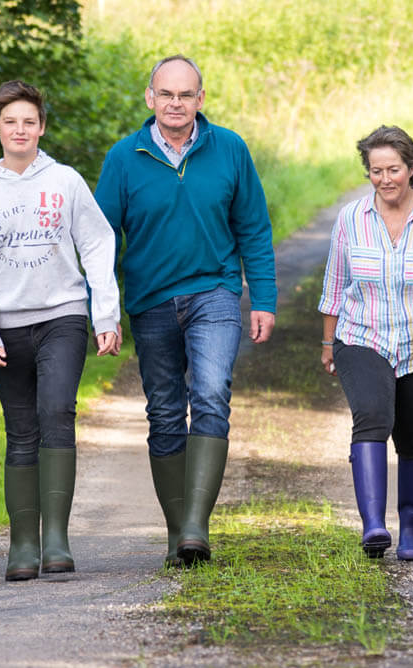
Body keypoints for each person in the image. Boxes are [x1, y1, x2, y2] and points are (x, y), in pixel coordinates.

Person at [94, 55, 276, 567]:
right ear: (150, 98)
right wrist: (103, 311)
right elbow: (100, 240)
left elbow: (254, 229)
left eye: (185, 95)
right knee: (165, 411)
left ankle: (197, 524)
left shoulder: (230, 149)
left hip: (214, 291)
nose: (176, 104)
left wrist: (263, 299)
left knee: (212, 393)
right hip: (150, 300)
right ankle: (180, 534)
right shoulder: (123, 157)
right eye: (166, 94)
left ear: (201, 98)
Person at [0, 80, 120, 581]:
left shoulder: (65, 181)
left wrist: (105, 314)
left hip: (62, 316)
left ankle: (56, 540)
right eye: (11, 122)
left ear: (42, 127)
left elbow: (97, 243)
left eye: (29, 121)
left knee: (57, 413)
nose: (20, 130)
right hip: (6, 327)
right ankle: (23, 544)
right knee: (21, 430)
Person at [319, 125, 413, 560]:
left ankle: (411, 533)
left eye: (393, 169)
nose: (385, 179)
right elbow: (335, 284)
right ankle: (373, 525)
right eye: (376, 171)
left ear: (412, 168)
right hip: (361, 335)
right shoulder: (351, 218)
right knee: (372, 417)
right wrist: (327, 342)